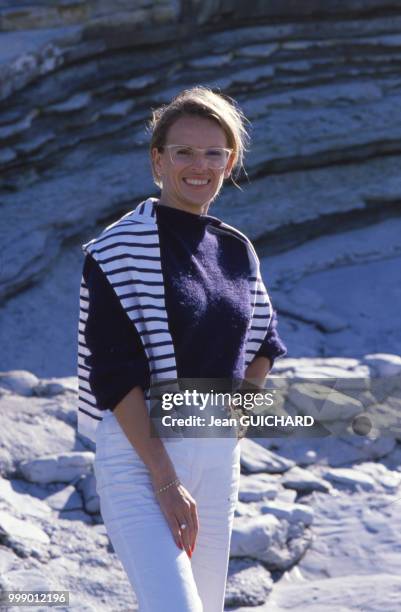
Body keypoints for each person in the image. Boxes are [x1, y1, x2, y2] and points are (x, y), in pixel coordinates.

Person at [77, 86, 287, 611]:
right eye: (184, 152)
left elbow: (264, 343)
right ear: (158, 160)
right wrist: (166, 478)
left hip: (216, 459)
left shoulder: (236, 247)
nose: (200, 165)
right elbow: (115, 374)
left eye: (214, 152)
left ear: (230, 161)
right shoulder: (117, 248)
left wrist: (235, 421)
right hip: (140, 460)